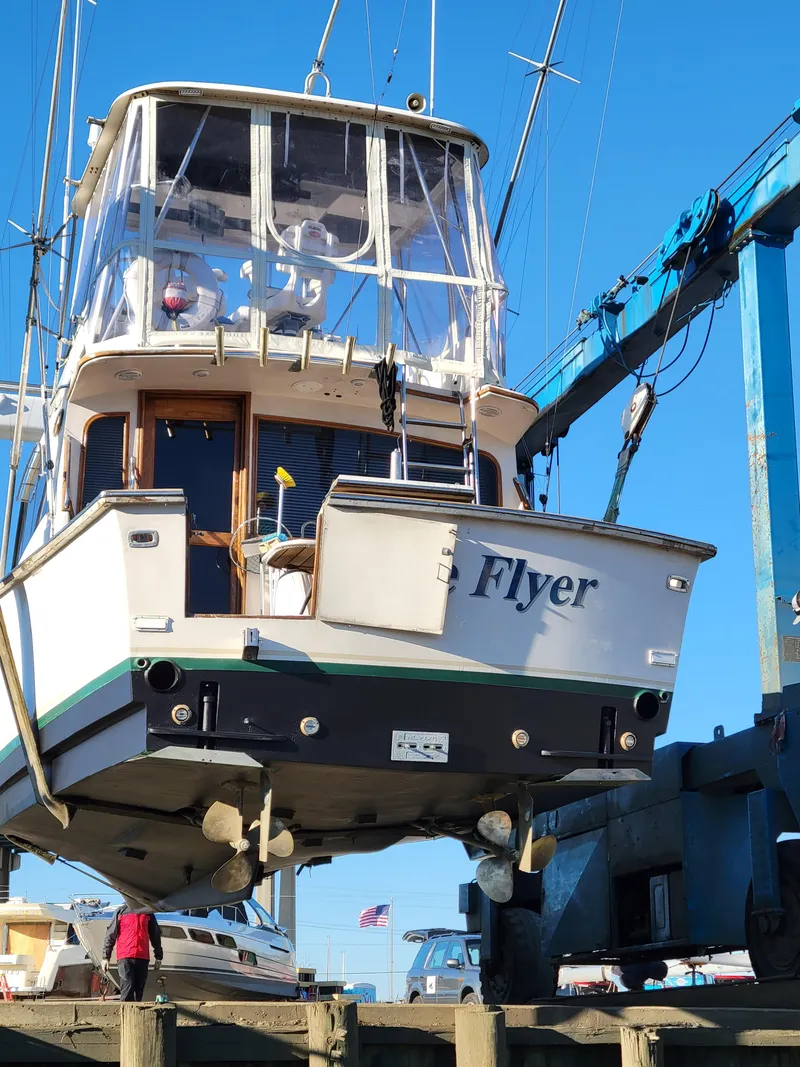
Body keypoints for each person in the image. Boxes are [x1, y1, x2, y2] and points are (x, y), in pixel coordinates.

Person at [102, 905, 163, 1002]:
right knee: (127, 986)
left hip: (142, 957)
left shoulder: (148, 913)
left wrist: (158, 956)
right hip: (125, 957)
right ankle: (125, 1015)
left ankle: (135, 1015)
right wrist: (106, 957)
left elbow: (155, 934)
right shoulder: (121, 911)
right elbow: (111, 934)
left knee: (138, 991)